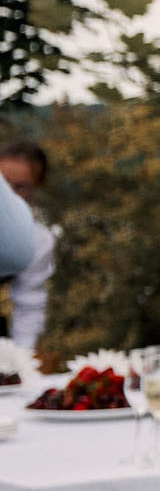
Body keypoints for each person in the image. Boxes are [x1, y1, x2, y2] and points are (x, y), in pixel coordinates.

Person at [1, 142, 54, 356]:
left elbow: (29, 306)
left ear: (36, 185)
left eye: (20, 186)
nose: (9, 197)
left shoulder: (36, 240)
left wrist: (22, 360)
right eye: (2, 185)